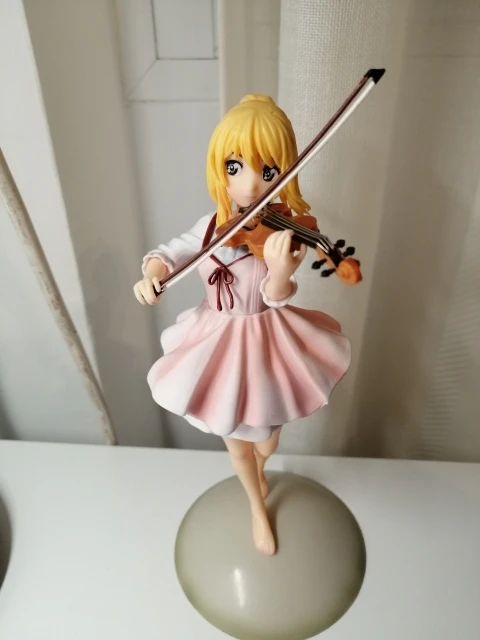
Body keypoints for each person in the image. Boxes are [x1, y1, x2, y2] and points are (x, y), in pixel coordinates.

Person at [134, 95, 351, 555]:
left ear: (284, 172)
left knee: (266, 441)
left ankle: (262, 466)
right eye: (236, 167)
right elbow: (171, 252)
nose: (251, 185)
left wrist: (281, 271)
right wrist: (152, 274)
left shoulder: (284, 233)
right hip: (217, 339)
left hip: (266, 337)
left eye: (268, 171)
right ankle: (256, 506)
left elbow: (275, 297)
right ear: (221, 169)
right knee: (237, 445)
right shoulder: (210, 225)